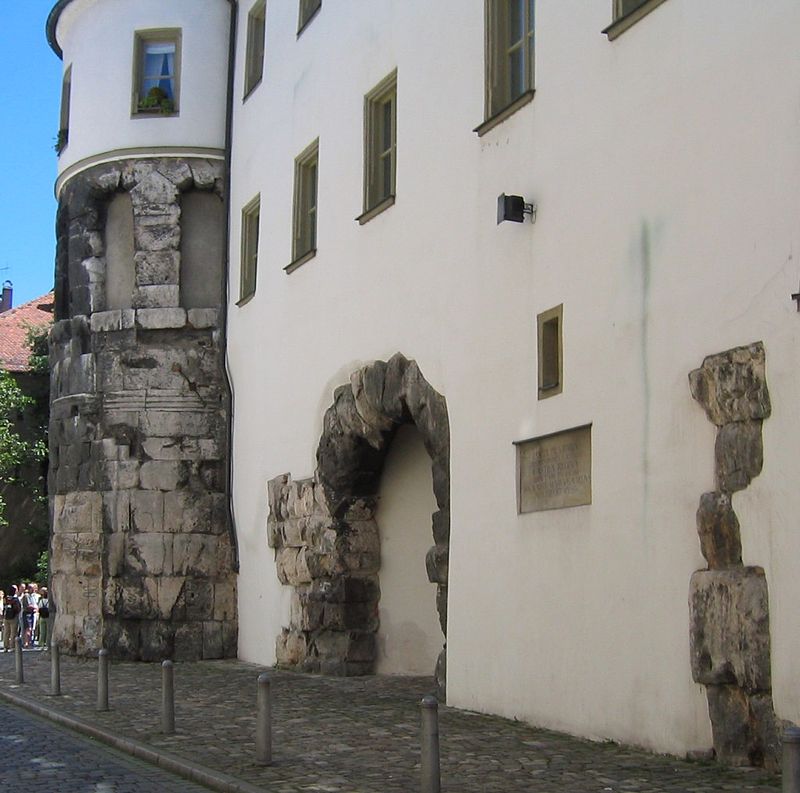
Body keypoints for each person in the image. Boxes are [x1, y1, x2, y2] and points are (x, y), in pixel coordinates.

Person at [21, 583, 39, 648]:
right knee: (28, 629)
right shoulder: (26, 596)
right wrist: (35, 608)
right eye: (32, 588)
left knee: (32, 629)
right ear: (29, 589)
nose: (34, 589)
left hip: (32, 614)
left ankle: (30, 642)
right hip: (27, 614)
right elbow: (28, 605)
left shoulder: (33, 596)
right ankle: (26, 643)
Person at [3, 587, 20, 651]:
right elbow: (18, 608)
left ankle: (5, 646)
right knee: (13, 632)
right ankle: (12, 646)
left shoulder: (5, 599)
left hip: (6, 617)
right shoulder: (15, 599)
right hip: (14, 617)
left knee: (6, 632)